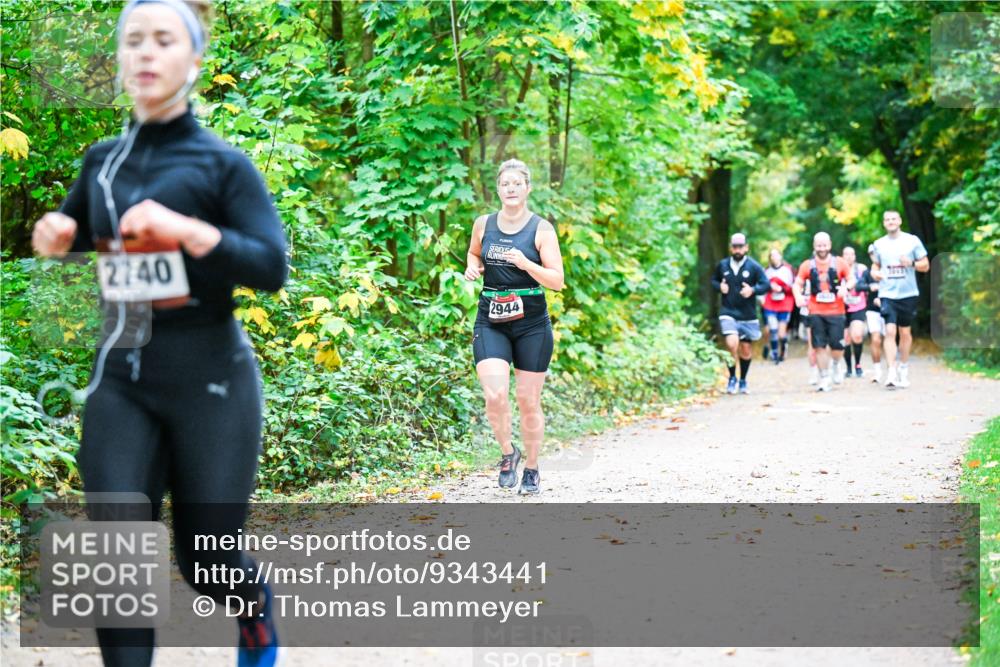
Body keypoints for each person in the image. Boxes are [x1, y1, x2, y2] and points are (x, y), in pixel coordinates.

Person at [31, 2, 287, 665]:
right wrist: (58, 237)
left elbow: (271, 265)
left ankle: (253, 611)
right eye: (133, 41)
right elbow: (84, 234)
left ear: (193, 60)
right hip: (120, 380)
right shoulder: (102, 162)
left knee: (206, 557)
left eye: (163, 41)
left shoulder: (223, 165)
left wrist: (191, 231)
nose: (145, 53)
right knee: (115, 554)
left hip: (212, 379)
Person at [465, 159, 565, 494]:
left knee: (527, 399)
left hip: (531, 323)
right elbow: (473, 254)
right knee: (494, 394)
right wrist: (473, 268)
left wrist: (525, 263)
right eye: (505, 184)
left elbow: (557, 281)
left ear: (527, 189)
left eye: (516, 184)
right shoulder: (484, 224)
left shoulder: (541, 230)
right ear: (498, 189)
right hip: (491, 318)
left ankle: (533, 468)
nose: (510, 189)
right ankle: (509, 453)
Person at [869, 210, 930, 388]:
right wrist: (875, 272)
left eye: (893, 219)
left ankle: (903, 368)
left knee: (905, 334)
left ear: (900, 221)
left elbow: (925, 265)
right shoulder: (879, 244)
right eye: (887, 219)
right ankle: (892, 372)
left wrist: (910, 263)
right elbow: (876, 265)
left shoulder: (912, 241)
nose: (890, 222)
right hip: (887, 293)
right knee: (889, 332)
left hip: (908, 293)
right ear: (884, 223)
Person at [792, 232, 853, 392]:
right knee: (819, 346)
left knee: (838, 346)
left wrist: (846, 287)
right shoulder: (807, 265)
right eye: (819, 245)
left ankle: (835, 364)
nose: (822, 248)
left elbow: (852, 278)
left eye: (824, 245)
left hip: (837, 311)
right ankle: (824, 377)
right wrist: (798, 296)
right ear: (814, 246)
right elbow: (797, 283)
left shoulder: (839, 263)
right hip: (815, 311)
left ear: (830, 245)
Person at [710, 233, 770, 394]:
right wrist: (719, 287)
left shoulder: (754, 267)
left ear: (746, 248)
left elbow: (766, 285)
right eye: (735, 247)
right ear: (731, 247)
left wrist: (753, 290)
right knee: (731, 343)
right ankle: (731, 378)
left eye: (740, 247)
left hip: (748, 314)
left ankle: (743, 380)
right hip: (728, 311)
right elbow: (714, 280)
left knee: (745, 350)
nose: (737, 250)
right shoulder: (722, 265)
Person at [857, 244, 886, 383]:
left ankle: (893, 369)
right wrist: (870, 286)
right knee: (875, 339)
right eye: (872, 254)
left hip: (889, 308)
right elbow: (858, 285)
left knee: (890, 338)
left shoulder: (889, 270)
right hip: (872, 310)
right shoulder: (867, 273)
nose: (874, 256)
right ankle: (877, 370)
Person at [761, 247, 795, 364]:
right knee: (772, 329)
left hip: (785, 304)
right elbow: (762, 287)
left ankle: (783, 348)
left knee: (781, 333)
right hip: (770, 304)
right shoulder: (767, 271)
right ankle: (774, 353)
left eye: (776, 255)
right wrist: (769, 288)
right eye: (772, 255)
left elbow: (793, 287)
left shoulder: (788, 270)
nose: (774, 258)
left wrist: (782, 289)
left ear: (781, 256)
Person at [840, 246, 868, 377]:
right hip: (842, 307)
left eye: (852, 254)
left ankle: (858, 364)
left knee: (857, 336)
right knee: (846, 339)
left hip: (858, 306)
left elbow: (869, 283)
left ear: (855, 256)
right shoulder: (838, 269)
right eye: (846, 254)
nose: (849, 257)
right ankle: (848, 368)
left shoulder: (862, 269)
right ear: (842, 256)